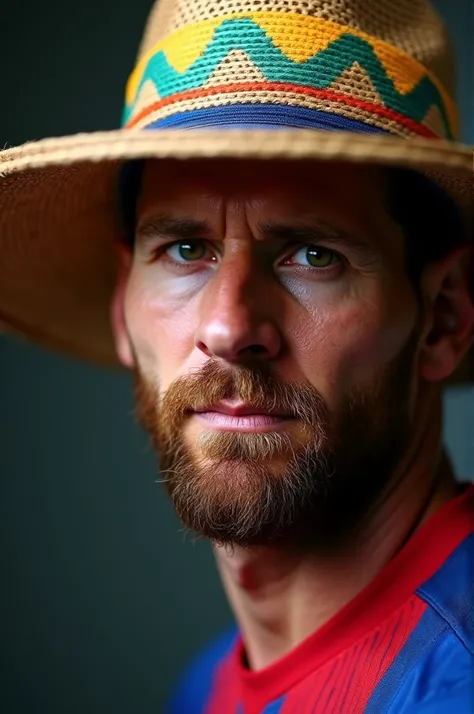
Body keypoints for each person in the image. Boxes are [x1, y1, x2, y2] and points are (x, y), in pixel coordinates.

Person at [0, 0, 472, 712]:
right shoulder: (206, 690)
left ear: (443, 318)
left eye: (315, 255)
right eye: (186, 250)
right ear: (121, 305)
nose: (228, 327)